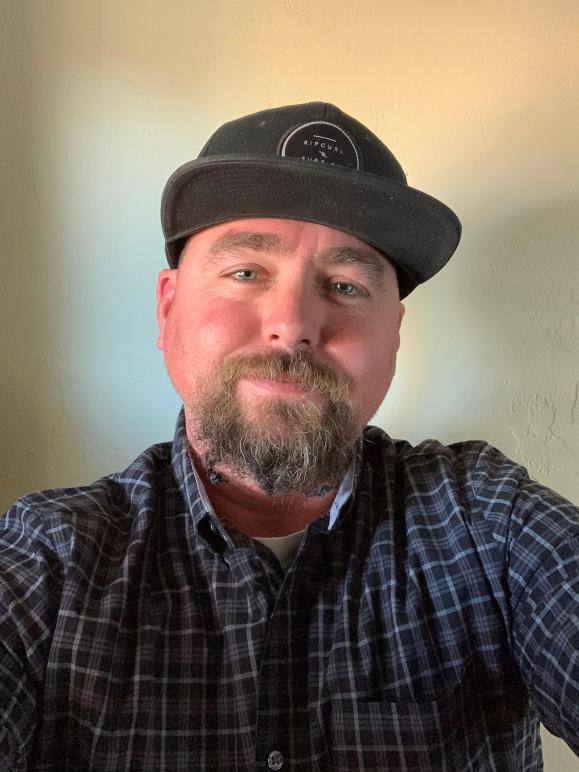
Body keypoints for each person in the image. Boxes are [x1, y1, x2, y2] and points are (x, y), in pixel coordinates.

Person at [0, 102, 577, 771]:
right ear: (168, 308)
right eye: (246, 272)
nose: (293, 324)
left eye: (345, 285)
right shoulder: (48, 558)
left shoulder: (489, 521)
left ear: (393, 337)